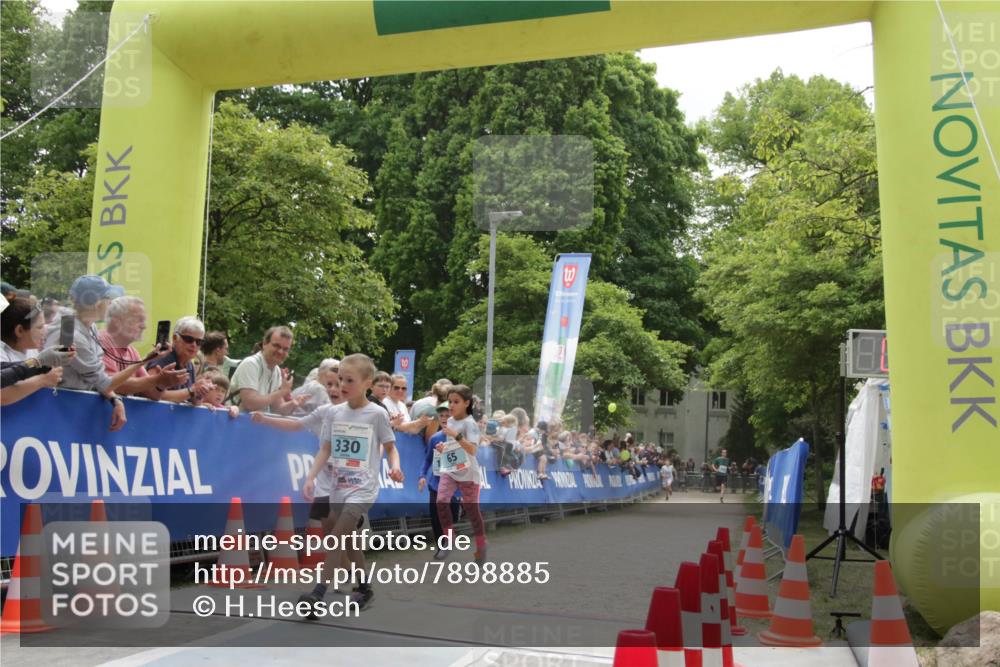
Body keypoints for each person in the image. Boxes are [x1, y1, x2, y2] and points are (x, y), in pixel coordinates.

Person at [298, 353, 403, 613]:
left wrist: (395, 466)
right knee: (350, 542)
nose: (342, 385)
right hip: (338, 487)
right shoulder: (334, 413)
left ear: (368, 383)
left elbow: (391, 447)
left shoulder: (377, 414)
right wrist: (311, 477)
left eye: (349, 380)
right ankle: (365, 588)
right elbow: (325, 449)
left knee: (335, 538)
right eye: (340, 379)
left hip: (363, 489)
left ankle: (317, 593)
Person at [44, 275, 159, 431]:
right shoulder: (71, 333)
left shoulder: (86, 326)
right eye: (108, 298)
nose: (111, 303)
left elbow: (99, 380)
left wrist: (114, 399)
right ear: (97, 303)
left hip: (70, 406)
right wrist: (145, 361)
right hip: (59, 410)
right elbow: (104, 382)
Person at [433, 384, 486, 564]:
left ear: (466, 403)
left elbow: (472, 450)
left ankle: (481, 547)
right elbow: (453, 446)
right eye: (449, 402)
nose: (451, 406)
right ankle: (450, 539)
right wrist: (443, 448)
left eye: (456, 402)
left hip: (469, 472)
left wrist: (455, 436)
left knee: (472, 512)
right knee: (441, 500)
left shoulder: (470, 424)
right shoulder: (451, 421)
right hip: (451, 469)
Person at [99, 296, 187, 400]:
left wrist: (163, 383)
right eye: (138, 320)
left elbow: (152, 394)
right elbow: (112, 385)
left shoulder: (132, 351)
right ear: (117, 321)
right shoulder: (101, 341)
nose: (144, 326)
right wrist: (157, 380)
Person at [228, 325, 303, 414]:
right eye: (276, 346)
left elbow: (278, 409)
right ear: (264, 344)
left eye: (285, 349)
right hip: (233, 423)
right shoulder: (251, 364)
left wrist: (294, 403)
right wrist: (282, 391)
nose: (280, 351)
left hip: (254, 425)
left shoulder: (277, 371)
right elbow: (250, 404)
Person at [418, 402, 462, 543]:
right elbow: (427, 460)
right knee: (436, 519)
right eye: (441, 415)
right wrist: (422, 476)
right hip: (435, 484)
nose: (444, 418)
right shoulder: (435, 438)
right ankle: (442, 547)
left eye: (448, 415)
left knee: (452, 517)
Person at [146, 316, 213, 404]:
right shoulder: (162, 357)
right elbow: (149, 392)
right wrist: (191, 390)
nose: (194, 345)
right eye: (189, 339)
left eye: (199, 342)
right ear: (175, 338)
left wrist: (201, 391)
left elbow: (193, 400)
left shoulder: (190, 365)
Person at [1, 297, 44, 363]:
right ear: (19, 331)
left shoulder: (29, 348)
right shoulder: (2, 356)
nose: (44, 332)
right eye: (40, 327)